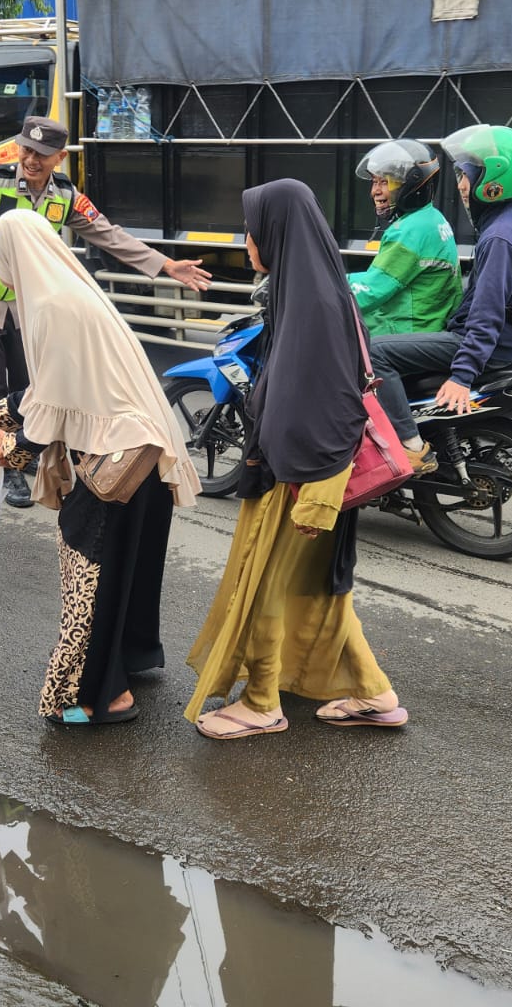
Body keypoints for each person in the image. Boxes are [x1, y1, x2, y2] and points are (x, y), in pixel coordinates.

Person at [0, 210, 200, 724]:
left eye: (3, 265)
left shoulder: (52, 306)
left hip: (115, 459)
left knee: (89, 566)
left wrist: (8, 451)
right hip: (142, 453)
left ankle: (100, 695)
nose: (5, 278)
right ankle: (130, 659)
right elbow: (50, 392)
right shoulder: (70, 291)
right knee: (129, 566)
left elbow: (48, 410)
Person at [183, 180, 408, 740]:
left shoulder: (312, 304)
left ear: (275, 234)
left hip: (304, 480)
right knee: (316, 593)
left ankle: (262, 703)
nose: (246, 241)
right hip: (307, 475)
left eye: (251, 230)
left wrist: (316, 498)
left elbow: (328, 404)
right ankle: (374, 694)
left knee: (267, 586)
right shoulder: (308, 290)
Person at [0, 115, 212, 509]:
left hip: (30, 308)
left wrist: (165, 266)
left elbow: (108, 234)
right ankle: (9, 470)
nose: (31, 160)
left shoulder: (65, 196)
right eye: (26, 150)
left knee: (31, 383)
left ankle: (24, 449)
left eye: (42, 155)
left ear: (60, 158)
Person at [367, 124, 512, 474]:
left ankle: (410, 448)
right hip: (507, 343)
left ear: (494, 180)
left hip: (484, 345)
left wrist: (463, 375)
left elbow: (487, 314)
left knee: (374, 351)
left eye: (467, 175)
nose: (461, 185)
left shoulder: (500, 236)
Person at [347, 139, 462, 337]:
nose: (375, 191)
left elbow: (370, 292)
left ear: (413, 185)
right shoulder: (432, 218)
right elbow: (379, 277)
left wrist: (318, 292)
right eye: (375, 182)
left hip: (406, 329)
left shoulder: (410, 231)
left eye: (384, 182)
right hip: (428, 321)